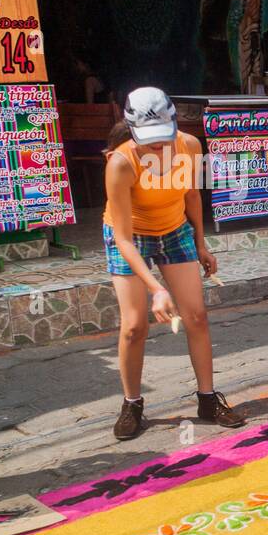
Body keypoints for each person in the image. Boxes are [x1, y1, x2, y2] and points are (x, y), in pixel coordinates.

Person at [103, 87, 244, 441]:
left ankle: (208, 400)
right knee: (135, 326)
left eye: (163, 139)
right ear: (132, 129)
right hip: (130, 235)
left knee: (196, 315)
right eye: (149, 142)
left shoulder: (190, 146)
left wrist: (201, 244)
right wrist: (156, 289)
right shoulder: (120, 162)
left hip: (174, 229)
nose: (159, 148)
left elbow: (192, 195)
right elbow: (121, 238)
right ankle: (132, 403)